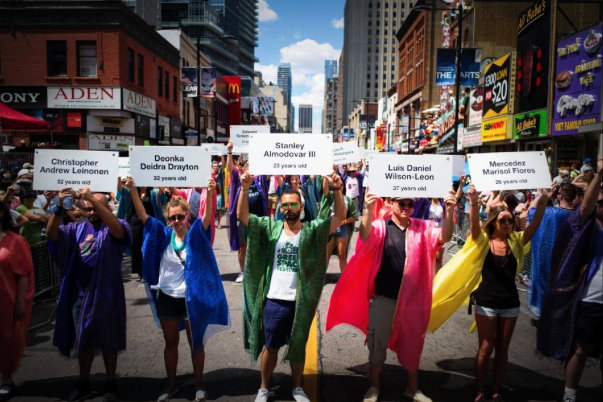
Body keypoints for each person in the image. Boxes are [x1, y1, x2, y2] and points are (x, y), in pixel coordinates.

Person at [327, 190, 456, 402]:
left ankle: (413, 388)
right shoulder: (381, 226)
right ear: (392, 203)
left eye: (410, 204)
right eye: (402, 203)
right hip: (383, 298)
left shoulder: (423, 228)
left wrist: (449, 212)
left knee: (413, 344)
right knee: (377, 346)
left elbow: (445, 237)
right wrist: (367, 209)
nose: (406, 208)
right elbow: (365, 236)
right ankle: (374, 386)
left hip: (413, 301)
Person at [429, 184, 549, 402]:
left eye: (510, 220)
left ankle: (496, 389)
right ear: (494, 222)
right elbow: (475, 225)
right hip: (486, 303)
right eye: (503, 221)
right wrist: (474, 202)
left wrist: (543, 200)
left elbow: (536, 224)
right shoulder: (483, 242)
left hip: (510, 304)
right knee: (486, 347)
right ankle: (479, 388)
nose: (508, 224)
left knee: (503, 348)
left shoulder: (517, 241)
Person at [238, 172, 345, 402]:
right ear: (280, 208)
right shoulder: (271, 228)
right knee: (271, 347)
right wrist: (244, 190)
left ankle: (297, 387)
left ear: (301, 207)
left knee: (298, 346)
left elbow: (339, 218)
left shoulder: (311, 230)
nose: (288, 208)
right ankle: (263, 388)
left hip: (300, 301)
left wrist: (337, 191)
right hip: (274, 300)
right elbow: (243, 216)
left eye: (293, 204)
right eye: (284, 205)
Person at [125, 177, 229, 402]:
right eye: (172, 218)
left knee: (196, 343)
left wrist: (211, 192)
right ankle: (171, 386)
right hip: (168, 298)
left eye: (180, 216)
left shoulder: (196, 234)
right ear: (168, 219)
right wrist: (133, 190)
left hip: (192, 300)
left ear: (187, 216)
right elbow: (143, 215)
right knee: (170, 343)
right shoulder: (163, 234)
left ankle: (199, 385)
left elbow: (207, 217)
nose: (176, 221)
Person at [46, 187, 132, 402]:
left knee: (109, 341)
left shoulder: (117, 225)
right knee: (83, 342)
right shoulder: (76, 229)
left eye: (96, 208)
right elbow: (51, 235)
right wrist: (57, 208)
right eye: (88, 209)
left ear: (106, 207)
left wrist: (90, 197)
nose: (92, 212)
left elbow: (118, 232)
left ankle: (111, 383)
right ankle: (84, 383)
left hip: (108, 296)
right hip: (80, 296)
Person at [537, 159, 603, 402]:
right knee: (582, 349)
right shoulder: (585, 226)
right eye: (600, 203)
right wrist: (599, 175)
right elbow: (586, 207)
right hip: (591, 299)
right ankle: (570, 394)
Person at [524, 183, 576, 318]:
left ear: (560, 196)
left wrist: (541, 196)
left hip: (546, 262)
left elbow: (531, 211)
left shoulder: (550, 213)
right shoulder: (579, 216)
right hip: (568, 264)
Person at [0, 201, 34, 399]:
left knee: (7, 339)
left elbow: (24, 274)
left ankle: (6, 377)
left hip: (6, 300)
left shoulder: (16, 241)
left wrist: (20, 302)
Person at [227, 142, 269, 283]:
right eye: (248, 166)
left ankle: (259, 270)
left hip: (258, 218)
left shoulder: (260, 179)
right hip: (242, 219)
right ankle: (243, 272)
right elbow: (230, 168)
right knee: (242, 246)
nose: (250, 168)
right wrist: (229, 152)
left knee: (260, 245)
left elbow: (269, 168)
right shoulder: (238, 178)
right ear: (243, 168)